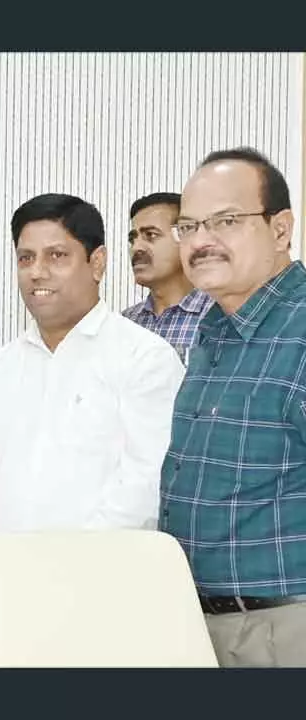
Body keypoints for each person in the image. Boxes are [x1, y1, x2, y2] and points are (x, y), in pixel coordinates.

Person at [0, 193, 184, 574]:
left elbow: (144, 485)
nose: (37, 271)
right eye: (26, 258)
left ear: (96, 262)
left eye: (57, 256)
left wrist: (67, 571)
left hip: (98, 588)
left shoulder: (143, 359)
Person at [160, 147, 306, 668]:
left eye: (225, 221)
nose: (201, 241)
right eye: (190, 225)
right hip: (197, 623)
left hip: (283, 629)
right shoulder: (213, 330)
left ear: (281, 229)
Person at [122, 191, 211, 362]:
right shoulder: (125, 323)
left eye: (150, 235)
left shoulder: (219, 319)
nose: (136, 248)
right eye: (133, 239)